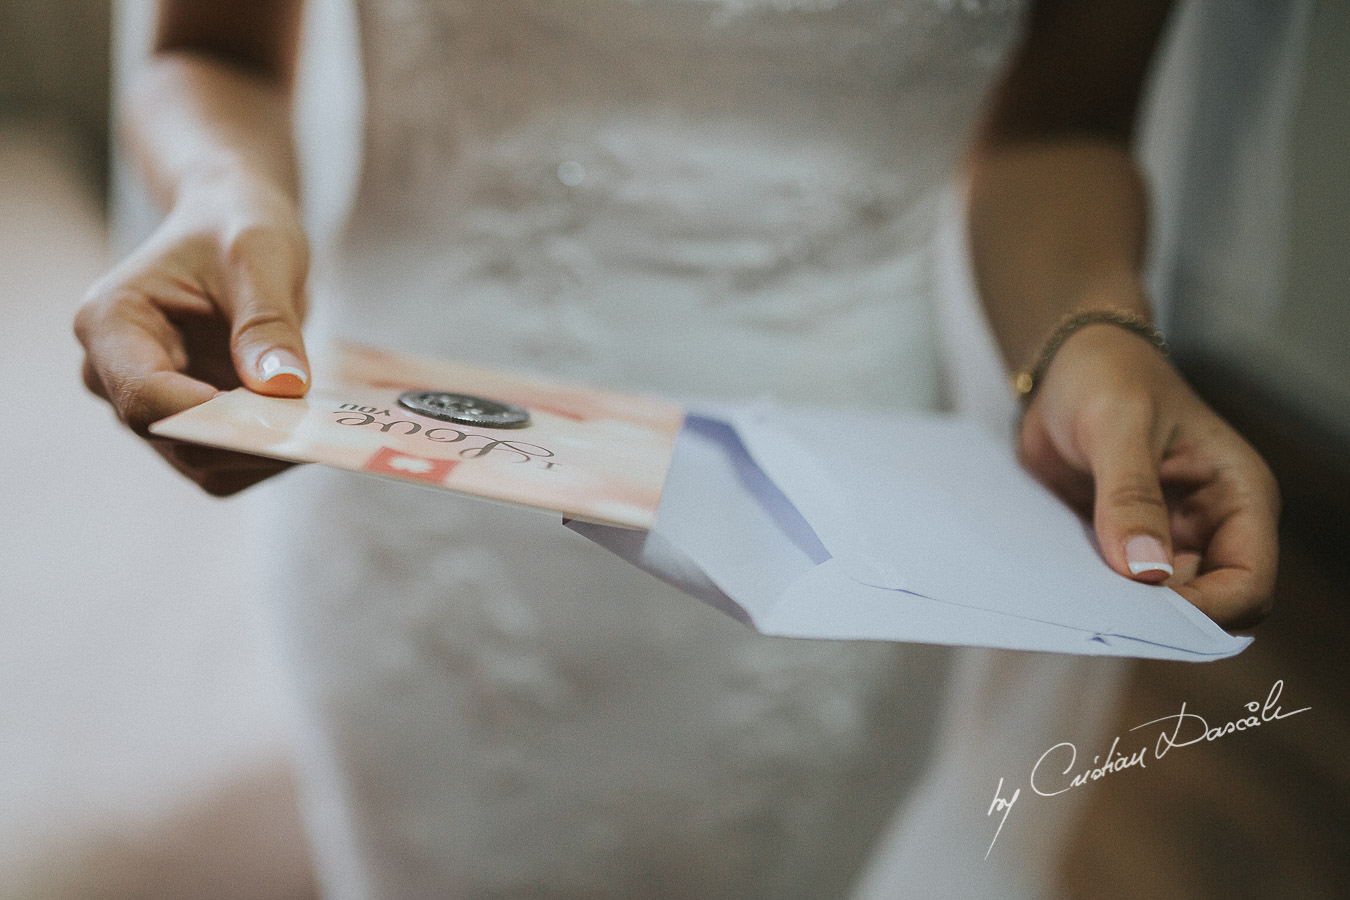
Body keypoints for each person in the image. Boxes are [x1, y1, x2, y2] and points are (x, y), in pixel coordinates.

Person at [76, 0, 1280, 896]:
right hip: (423, 506)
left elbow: (1057, 132)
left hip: (830, 538)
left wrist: (1092, 336)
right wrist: (222, 197)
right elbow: (212, 48)